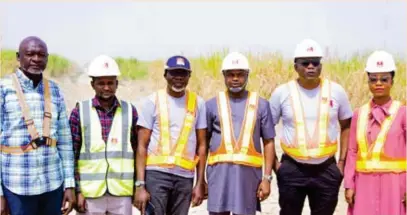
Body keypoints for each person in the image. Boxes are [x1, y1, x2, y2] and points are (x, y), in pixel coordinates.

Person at [269, 39, 353, 215]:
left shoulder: (336, 91)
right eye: (305, 63)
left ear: (320, 66)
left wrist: (341, 164)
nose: (310, 67)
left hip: (327, 169)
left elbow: (346, 126)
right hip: (292, 168)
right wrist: (277, 166)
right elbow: (267, 130)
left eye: (315, 62)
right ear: (295, 66)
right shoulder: (282, 93)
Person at [0, 36, 75, 215]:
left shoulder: (55, 90)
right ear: (19, 57)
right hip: (17, 185)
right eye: (30, 54)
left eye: (41, 55)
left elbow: (65, 141)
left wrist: (69, 185)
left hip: (52, 182)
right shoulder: (4, 88)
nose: (36, 59)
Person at [134, 55, 207, 215]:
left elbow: (202, 145)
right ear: (165, 75)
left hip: (185, 178)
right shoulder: (152, 101)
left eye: (183, 73)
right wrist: (140, 185)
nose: (178, 78)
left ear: (189, 76)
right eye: (174, 73)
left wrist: (200, 182)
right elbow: (141, 145)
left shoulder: (198, 103)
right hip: (156, 175)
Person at [205, 51, 276, 215]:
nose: (235, 79)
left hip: (248, 178)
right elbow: (202, 144)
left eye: (240, 75)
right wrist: (200, 181)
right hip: (219, 177)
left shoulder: (261, 104)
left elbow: (269, 142)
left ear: (247, 75)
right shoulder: (211, 105)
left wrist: (267, 179)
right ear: (224, 75)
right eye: (230, 75)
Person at [69, 55, 138, 215]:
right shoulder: (80, 111)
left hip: (121, 193)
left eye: (110, 83)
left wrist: (137, 187)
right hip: (90, 194)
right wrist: (77, 190)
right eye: (101, 83)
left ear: (117, 84)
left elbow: (137, 150)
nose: (106, 87)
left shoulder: (130, 111)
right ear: (92, 84)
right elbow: (71, 154)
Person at [344, 50, 406, 215]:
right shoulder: (359, 113)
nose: (378, 83)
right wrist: (349, 184)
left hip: (394, 184)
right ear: (368, 82)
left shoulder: (402, 113)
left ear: (392, 81)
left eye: (384, 79)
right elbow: (352, 151)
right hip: (364, 184)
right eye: (373, 79)